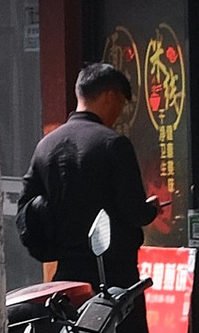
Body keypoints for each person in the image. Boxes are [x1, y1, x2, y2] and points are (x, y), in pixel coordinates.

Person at [22, 61, 160, 291]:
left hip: (67, 277)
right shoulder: (114, 145)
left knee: (72, 328)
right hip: (115, 277)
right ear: (110, 96)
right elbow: (134, 211)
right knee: (118, 328)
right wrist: (151, 210)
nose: (118, 113)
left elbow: (26, 210)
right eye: (120, 104)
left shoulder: (45, 146)